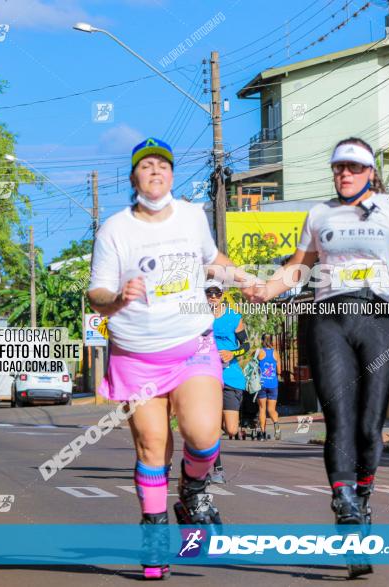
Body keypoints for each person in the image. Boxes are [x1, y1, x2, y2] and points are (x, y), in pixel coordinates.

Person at [249, 137, 389, 579]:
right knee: (339, 418)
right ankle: (344, 502)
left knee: (370, 425)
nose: (345, 174)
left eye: (354, 167)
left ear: (370, 172)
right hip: (330, 317)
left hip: (379, 316)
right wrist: (266, 289)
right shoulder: (319, 214)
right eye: (339, 168)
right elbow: (298, 267)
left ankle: (364, 500)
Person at [87, 136, 257, 580]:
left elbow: (212, 258)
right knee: (152, 446)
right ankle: (155, 531)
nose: (156, 172)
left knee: (203, 436)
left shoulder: (191, 216)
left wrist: (244, 277)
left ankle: (195, 492)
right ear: (134, 178)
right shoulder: (114, 230)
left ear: (172, 175)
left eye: (163, 165)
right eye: (146, 167)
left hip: (191, 345)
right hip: (136, 356)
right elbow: (96, 293)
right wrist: (117, 297)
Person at [206, 279, 249, 481]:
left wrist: (233, 353)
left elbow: (246, 345)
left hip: (231, 376)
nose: (213, 297)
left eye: (216, 293)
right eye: (209, 293)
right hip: (207, 376)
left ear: (222, 295)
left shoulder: (234, 317)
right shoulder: (199, 318)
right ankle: (218, 470)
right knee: (212, 426)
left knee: (231, 428)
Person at [256, 334, 281, 441]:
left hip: (261, 384)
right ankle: (277, 428)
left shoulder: (259, 352)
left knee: (262, 409)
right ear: (272, 340)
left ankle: (262, 433)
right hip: (273, 384)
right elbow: (279, 371)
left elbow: (253, 367)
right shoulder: (276, 353)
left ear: (262, 341)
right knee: (271, 409)